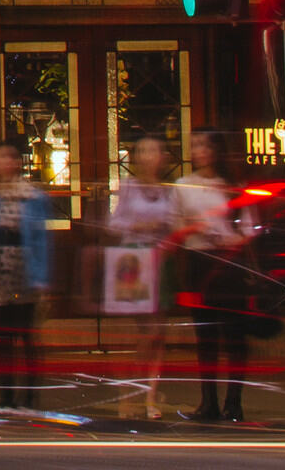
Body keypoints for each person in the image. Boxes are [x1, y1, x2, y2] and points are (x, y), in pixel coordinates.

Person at [177, 128, 254, 423]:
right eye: (194, 145)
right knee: (205, 335)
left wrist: (230, 240)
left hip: (229, 265)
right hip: (200, 262)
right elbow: (177, 227)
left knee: (235, 337)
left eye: (204, 145)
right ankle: (208, 402)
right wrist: (193, 230)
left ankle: (234, 403)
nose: (198, 150)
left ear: (217, 150)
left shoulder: (232, 185)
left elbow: (247, 228)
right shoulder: (183, 185)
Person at [0, 137, 52, 411]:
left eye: (5, 157)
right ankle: (6, 397)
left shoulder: (32, 196)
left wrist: (41, 276)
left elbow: (40, 238)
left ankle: (29, 398)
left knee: (26, 334)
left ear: (16, 162)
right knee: (1, 338)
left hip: (23, 268)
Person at [108, 133, 179, 420]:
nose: (148, 156)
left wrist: (165, 229)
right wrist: (139, 224)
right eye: (143, 151)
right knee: (142, 332)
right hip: (134, 262)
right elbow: (114, 223)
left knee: (158, 333)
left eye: (154, 151)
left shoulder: (169, 191)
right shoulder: (129, 188)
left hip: (161, 260)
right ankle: (132, 394)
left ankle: (150, 395)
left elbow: (176, 224)